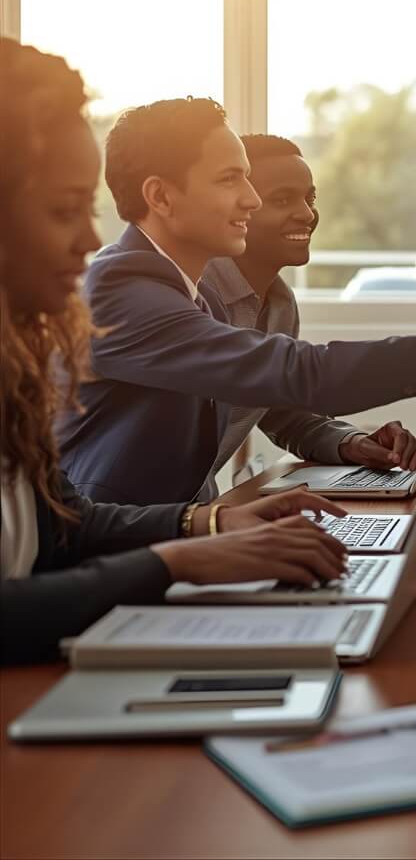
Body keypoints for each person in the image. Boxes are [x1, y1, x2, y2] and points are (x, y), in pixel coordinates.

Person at [57, 96, 416, 508]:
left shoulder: (194, 292)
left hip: (183, 529)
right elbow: (297, 373)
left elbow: (272, 398)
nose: (251, 200)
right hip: (113, 546)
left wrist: (348, 442)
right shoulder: (122, 289)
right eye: (232, 179)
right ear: (161, 195)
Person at [0, 38, 351, 664]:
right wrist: (176, 559)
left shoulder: (14, 368)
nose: (89, 240)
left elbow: (64, 522)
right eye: (62, 210)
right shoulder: (129, 286)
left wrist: (206, 527)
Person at [201, 133, 416, 482]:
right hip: (147, 521)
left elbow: (283, 412)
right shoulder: (194, 297)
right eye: (283, 199)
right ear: (238, 207)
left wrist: (353, 442)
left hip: (202, 514)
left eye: (309, 198)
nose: (307, 214)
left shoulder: (281, 304)